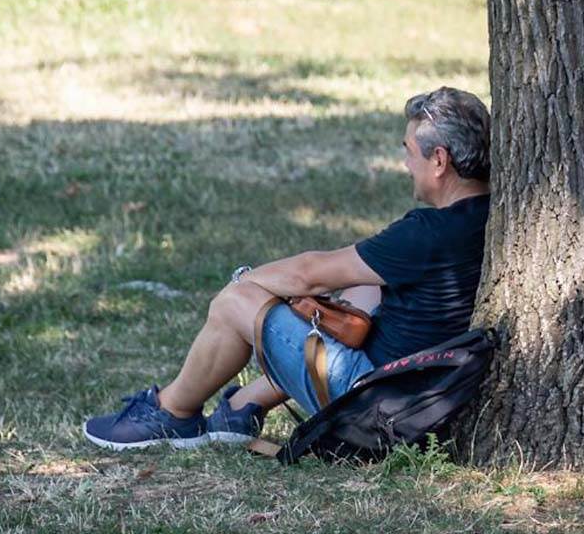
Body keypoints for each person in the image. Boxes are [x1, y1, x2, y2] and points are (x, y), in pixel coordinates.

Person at [83, 86, 492, 450]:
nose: (405, 163)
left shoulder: (428, 232)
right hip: (417, 390)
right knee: (362, 288)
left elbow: (310, 272)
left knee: (235, 304)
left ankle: (171, 415)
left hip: (369, 400)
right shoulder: (492, 216)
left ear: (439, 160)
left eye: (408, 150)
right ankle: (244, 407)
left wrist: (246, 282)